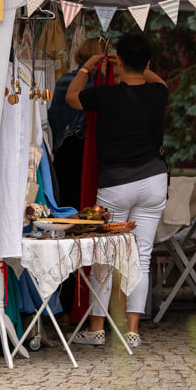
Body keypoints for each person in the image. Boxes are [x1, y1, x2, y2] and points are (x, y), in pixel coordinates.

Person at [65, 32, 168, 348]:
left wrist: (88, 66)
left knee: (105, 255)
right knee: (142, 256)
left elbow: (71, 96)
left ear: (119, 61)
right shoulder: (157, 94)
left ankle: (97, 328)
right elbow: (159, 81)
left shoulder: (104, 95)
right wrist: (134, 66)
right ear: (148, 62)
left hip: (116, 183)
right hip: (153, 181)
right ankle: (133, 330)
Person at [47, 36, 110, 209]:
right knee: (91, 207)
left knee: (67, 206)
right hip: (90, 151)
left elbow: (53, 117)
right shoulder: (104, 84)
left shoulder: (64, 81)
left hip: (65, 149)